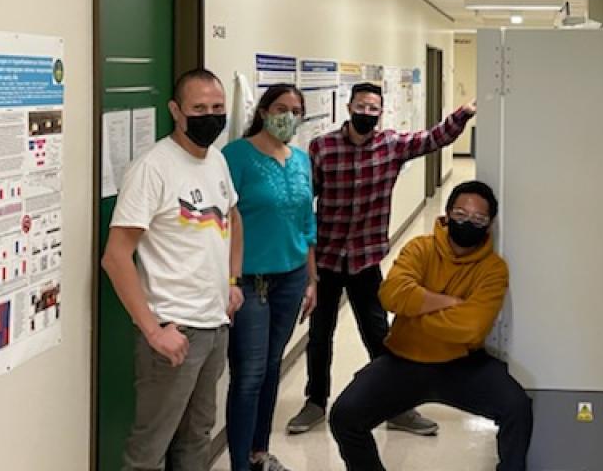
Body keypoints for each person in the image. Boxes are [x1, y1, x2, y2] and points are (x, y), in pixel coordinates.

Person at [287, 82, 476, 436]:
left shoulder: (391, 145)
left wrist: (462, 115)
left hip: (365, 260)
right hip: (327, 260)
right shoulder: (323, 147)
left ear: (381, 113)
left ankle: (396, 406)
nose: (366, 113)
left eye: (373, 108)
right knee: (319, 336)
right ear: (348, 107)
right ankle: (315, 403)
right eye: (361, 106)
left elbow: (433, 139)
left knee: (380, 335)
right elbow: (304, 200)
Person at [330, 180, 532, 471]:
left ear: (489, 225)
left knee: (517, 407)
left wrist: (416, 311)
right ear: (447, 215)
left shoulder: (493, 269)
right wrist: (451, 303)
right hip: (404, 359)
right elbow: (390, 294)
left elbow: (473, 328)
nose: (468, 223)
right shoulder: (420, 248)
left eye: (478, 219)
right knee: (344, 416)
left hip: (462, 364)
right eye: (461, 214)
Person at [102, 68, 243, 471]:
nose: (210, 116)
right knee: (149, 450)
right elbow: (115, 257)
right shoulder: (153, 167)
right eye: (198, 108)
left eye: (217, 107)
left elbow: (232, 217)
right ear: (176, 111)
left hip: (215, 325)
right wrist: (153, 330)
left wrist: (232, 281)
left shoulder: (216, 159)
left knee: (197, 436)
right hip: (174, 329)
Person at [221, 84, 318, 471]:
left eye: (296, 111)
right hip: (248, 280)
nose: (288, 117)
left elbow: (306, 223)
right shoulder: (235, 157)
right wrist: (229, 281)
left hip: (291, 278)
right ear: (263, 112)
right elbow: (223, 220)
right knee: (249, 374)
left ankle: (258, 453)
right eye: (280, 108)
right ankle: (240, 464)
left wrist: (311, 279)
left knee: (273, 367)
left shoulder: (300, 160)